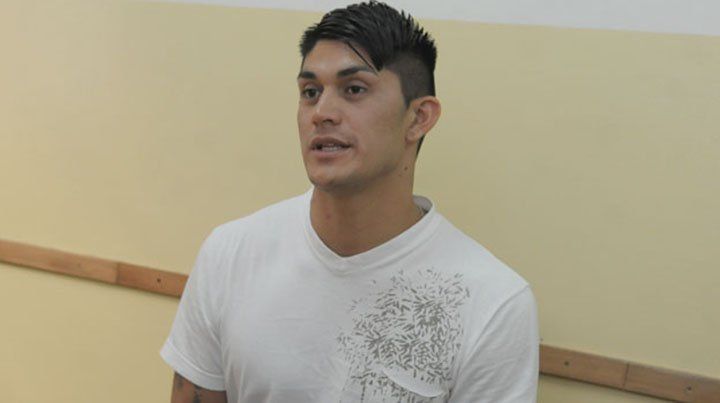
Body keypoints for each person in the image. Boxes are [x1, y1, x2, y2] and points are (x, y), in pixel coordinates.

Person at [161, 2, 539, 402]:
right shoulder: (231, 253)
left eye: (354, 89)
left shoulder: (492, 303)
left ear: (418, 118)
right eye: (310, 92)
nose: (321, 113)